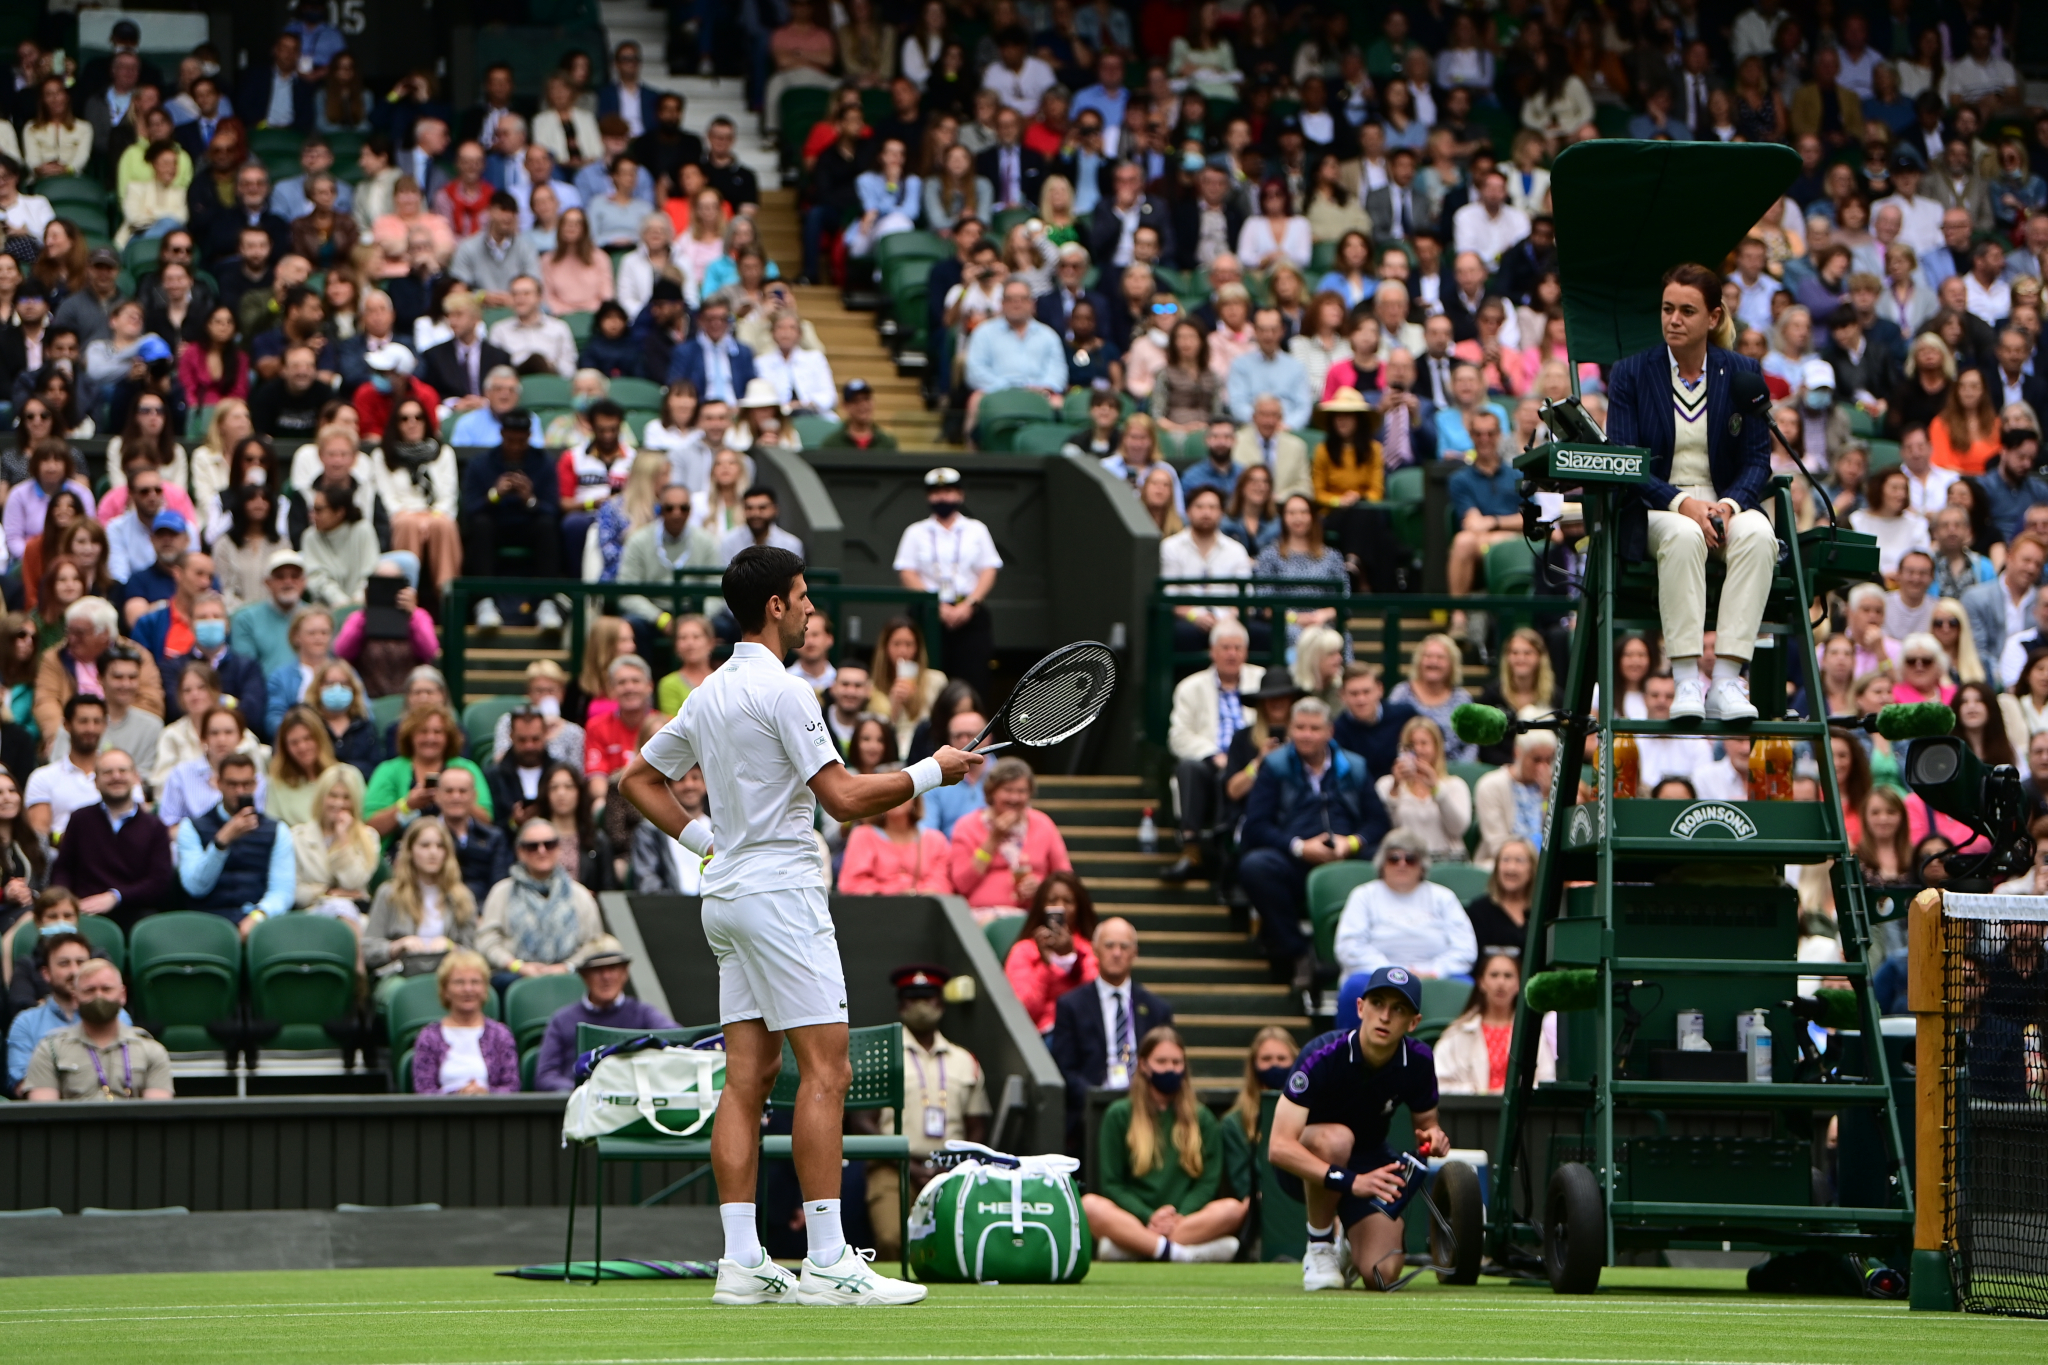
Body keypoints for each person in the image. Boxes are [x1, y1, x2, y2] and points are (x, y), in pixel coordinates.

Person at [617, 544, 982, 1304]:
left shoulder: (710, 691)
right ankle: (826, 1258)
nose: (813, 608)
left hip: (727, 897)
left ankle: (742, 1261)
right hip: (781, 896)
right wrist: (931, 771)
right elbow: (843, 798)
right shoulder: (785, 692)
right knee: (828, 1071)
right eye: (804, 596)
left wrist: (705, 842)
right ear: (777, 606)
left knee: (747, 1079)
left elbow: (637, 779)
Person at [1605, 261, 1774, 724]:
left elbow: (1758, 461)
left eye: (1686, 311)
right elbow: (1625, 463)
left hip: (1725, 501)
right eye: (1666, 309)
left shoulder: (1742, 372)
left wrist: (1728, 505)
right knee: (1684, 536)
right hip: (1656, 505)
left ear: (1713, 318)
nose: (1673, 320)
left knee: (1760, 535)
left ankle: (1725, 679)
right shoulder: (1630, 373)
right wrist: (1684, 504)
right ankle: (1685, 678)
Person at [1267, 964, 1450, 1293]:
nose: (1385, 1016)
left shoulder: (1420, 1060)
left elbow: (1427, 1125)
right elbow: (1279, 1147)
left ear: (1413, 1022)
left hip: (1368, 1162)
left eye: (1399, 1009)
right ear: (1360, 1008)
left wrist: (1433, 1137)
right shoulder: (1321, 1055)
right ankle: (1319, 1246)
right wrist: (1353, 1182)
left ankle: (1348, 1245)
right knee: (1336, 1138)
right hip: (1309, 1165)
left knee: (1382, 1274)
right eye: (1378, 1003)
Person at [1083, 1025, 1243, 1263]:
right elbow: (1112, 1184)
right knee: (1089, 1205)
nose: (1170, 1069)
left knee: (1232, 1208)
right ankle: (1178, 1253)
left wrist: (1179, 1216)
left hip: (1186, 1221)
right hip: (1135, 1219)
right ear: (1145, 1065)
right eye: (1162, 1062)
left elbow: (1207, 1182)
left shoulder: (1203, 1118)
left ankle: (1139, 1248)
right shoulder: (1118, 1115)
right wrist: (1149, 1216)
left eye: (1177, 1063)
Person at [1163, 621, 1264, 883]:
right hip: (1211, 759)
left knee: (1230, 778)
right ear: (1212, 652)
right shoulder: (1191, 687)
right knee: (1189, 768)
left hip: (1253, 761)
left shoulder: (1261, 680)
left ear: (1246, 652)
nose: (1232, 654)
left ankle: (1226, 853)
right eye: (1225, 648)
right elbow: (1178, 736)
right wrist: (1214, 755)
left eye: (1237, 648)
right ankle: (1192, 850)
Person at [1334, 828, 1479, 1002]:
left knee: (1466, 987)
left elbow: (1465, 948)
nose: (1401, 864)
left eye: (1410, 859)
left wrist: (1435, 971)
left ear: (1422, 865)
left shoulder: (1443, 897)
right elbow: (1348, 946)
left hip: (1434, 976)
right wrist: (1392, 973)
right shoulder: (1363, 895)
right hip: (1375, 974)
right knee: (1354, 986)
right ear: (1382, 863)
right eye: (1394, 858)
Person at [45, 750, 172, 934]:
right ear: (96, 781)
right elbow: (63, 868)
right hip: (84, 911)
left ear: (136, 777)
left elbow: (159, 882)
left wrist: (116, 896)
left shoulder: (155, 827)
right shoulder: (80, 819)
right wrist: (66, 901)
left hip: (136, 913)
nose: (116, 777)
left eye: (122, 770)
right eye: (107, 772)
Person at [531, 937, 677, 1091]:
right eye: (597, 970)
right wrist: (586, 1091)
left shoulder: (644, 1014)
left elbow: (678, 1041)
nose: (606, 977)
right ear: (584, 976)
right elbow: (545, 1076)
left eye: (612, 968)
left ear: (625, 973)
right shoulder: (561, 1020)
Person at [174, 750, 294, 936]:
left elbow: (282, 891)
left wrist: (258, 915)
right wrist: (222, 841)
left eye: (246, 784)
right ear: (218, 784)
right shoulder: (191, 827)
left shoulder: (277, 830)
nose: (240, 791)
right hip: (205, 922)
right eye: (232, 784)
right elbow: (195, 887)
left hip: (256, 921)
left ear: (255, 785)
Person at [20, 956, 172, 1102]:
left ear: (122, 995)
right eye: (89, 990)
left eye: (106, 989)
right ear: (75, 999)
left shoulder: (151, 1051)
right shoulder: (50, 1050)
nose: (98, 996)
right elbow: (44, 1118)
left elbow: (157, 1118)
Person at [476, 817, 605, 985]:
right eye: (532, 846)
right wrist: (517, 966)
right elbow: (487, 942)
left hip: (570, 979)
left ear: (559, 849)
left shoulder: (579, 894)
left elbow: (594, 944)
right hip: (514, 978)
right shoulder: (502, 892)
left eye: (549, 844)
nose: (541, 851)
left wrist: (566, 967)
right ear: (520, 852)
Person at [947, 757, 1072, 919]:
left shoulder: (1043, 824)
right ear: (992, 792)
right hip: (983, 916)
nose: (1014, 798)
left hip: (1034, 914)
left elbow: (1066, 878)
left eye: (1021, 791)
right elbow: (962, 883)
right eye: (1008, 790)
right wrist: (993, 839)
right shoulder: (967, 826)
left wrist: (1044, 889)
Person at [410, 949, 520, 1094]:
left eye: (475, 982)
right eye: (459, 982)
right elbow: (423, 1090)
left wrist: (484, 1094)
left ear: (485, 989)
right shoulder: (429, 1037)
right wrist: (458, 1095)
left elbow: (512, 1086)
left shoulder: (501, 1035)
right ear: (445, 990)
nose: (468, 989)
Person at [1003, 871, 1097, 1034]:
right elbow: (1021, 1011)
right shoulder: (1023, 951)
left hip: (1082, 1034)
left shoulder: (1090, 949)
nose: (1060, 907)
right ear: (1041, 906)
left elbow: (1097, 1001)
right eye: (1052, 900)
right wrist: (1046, 966)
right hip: (1039, 1037)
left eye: (1068, 901)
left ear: (1078, 907)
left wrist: (1070, 958)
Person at [1373, 718, 1472, 862]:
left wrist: (1437, 790)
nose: (1418, 750)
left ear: (1436, 748)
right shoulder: (1386, 785)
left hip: (1448, 859)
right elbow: (1384, 829)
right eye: (1412, 745)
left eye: (1424, 743)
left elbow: (1457, 829)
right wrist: (1395, 788)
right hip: (1406, 861)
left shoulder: (1455, 785)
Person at [291, 763, 378, 924]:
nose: (339, 804)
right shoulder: (298, 836)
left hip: (357, 915)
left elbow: (353, 882)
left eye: (346, 797)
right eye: (333, 796)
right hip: (311, 913)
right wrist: (327, 893)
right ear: (321, 797)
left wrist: (343, 839)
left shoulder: (369, 837)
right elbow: (294, 890)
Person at [838, 778, 953, 895]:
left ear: (915, 798)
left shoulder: (937, 841)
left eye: (903, 792)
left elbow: (943, 885)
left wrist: (914, 893)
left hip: (925, 910)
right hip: (875, 910)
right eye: (889, 793)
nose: (897, 798)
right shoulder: (862, 836)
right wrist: (895, 891)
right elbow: (851, 884)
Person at [1472, 735, 1557, 870]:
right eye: (1537, 760)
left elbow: (1556, 836)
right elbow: (1496, 844)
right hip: (1502, 861)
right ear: (1518, 753)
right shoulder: (1491, 785)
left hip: (1546, 862)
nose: (1543, 767)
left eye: (1548, 760)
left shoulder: (1553, 787)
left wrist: (1547, 797)